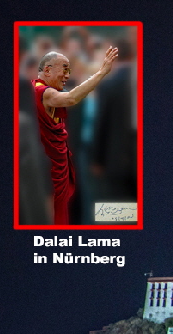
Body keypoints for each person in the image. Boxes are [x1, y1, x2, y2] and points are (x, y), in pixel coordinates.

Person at [31, 46, 118, 226]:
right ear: (47, 70)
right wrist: (102, 72)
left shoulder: (39, 89)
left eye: (69, 70)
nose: (67, 76)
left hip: (55, 163)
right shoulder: (42, 92)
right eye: (64, 69)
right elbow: (71, 98)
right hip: (48, 167)